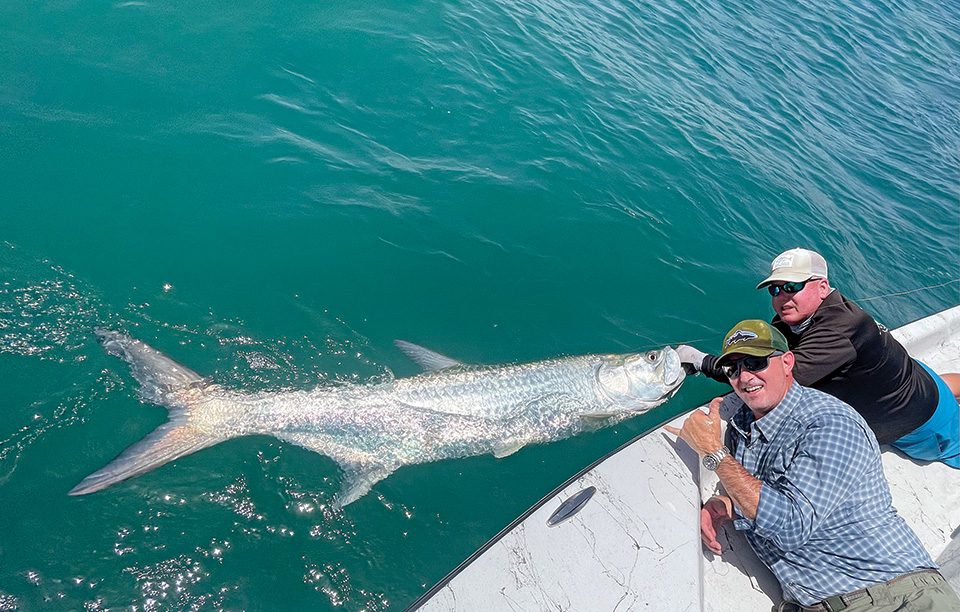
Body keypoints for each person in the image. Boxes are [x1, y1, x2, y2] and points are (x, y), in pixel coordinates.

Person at [666, 320, 960, 611]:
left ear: (787, 362)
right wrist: (729, 503)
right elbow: (779, 493)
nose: (745, 378)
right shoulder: (743, 427)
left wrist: (714, 452)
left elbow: (790, 526)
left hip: (893, 596)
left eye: (756, 363)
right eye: (734, 369)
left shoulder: (829, 423)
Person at [677, 247, 960, 467]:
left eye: (793, 287)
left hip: (924, 423)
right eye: (775, 289)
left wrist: (704, 362)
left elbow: (776, 380)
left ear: (823, 287)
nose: (782, 296)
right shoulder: (799, 319)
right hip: (915, 377)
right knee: (941, 387)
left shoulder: (838, 330)